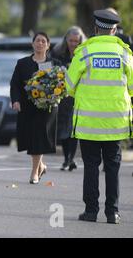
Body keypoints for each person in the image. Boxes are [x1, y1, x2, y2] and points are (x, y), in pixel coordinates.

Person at [66, 9, 133, 224]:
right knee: (113, 169)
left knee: (91, 167)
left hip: (89, 123)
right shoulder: (125, 54)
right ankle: (112, 212)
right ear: (114, 30)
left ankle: (91, 211)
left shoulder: (85, 52)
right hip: (115, 123)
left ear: (95, 29)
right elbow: (132, 87)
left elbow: (68, 86)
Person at [10, 32, 59, 184]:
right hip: (27, 106)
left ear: (48, 45)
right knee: (31, 138)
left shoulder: (54, 64)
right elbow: (15, 84)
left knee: (39, 137)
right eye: (37, 41)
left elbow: (61, 84)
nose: (40, 44)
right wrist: (16, 101)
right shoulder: (23, 63)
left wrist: (56, 96)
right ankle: (41, 165)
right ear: (32, 44)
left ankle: (34, 173)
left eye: (43, 41)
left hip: (47, 107)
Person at [51, 26, 87, 171]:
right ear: (66, 39)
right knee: (64, 128)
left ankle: (70, 159)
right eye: (71, 40)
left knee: (73, 128)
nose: (73, 44)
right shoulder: (57, 52)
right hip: (63, 96)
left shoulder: (85, 54)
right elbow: (51, 69)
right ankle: (67, 158)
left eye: (76, 41)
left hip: (79, 96)